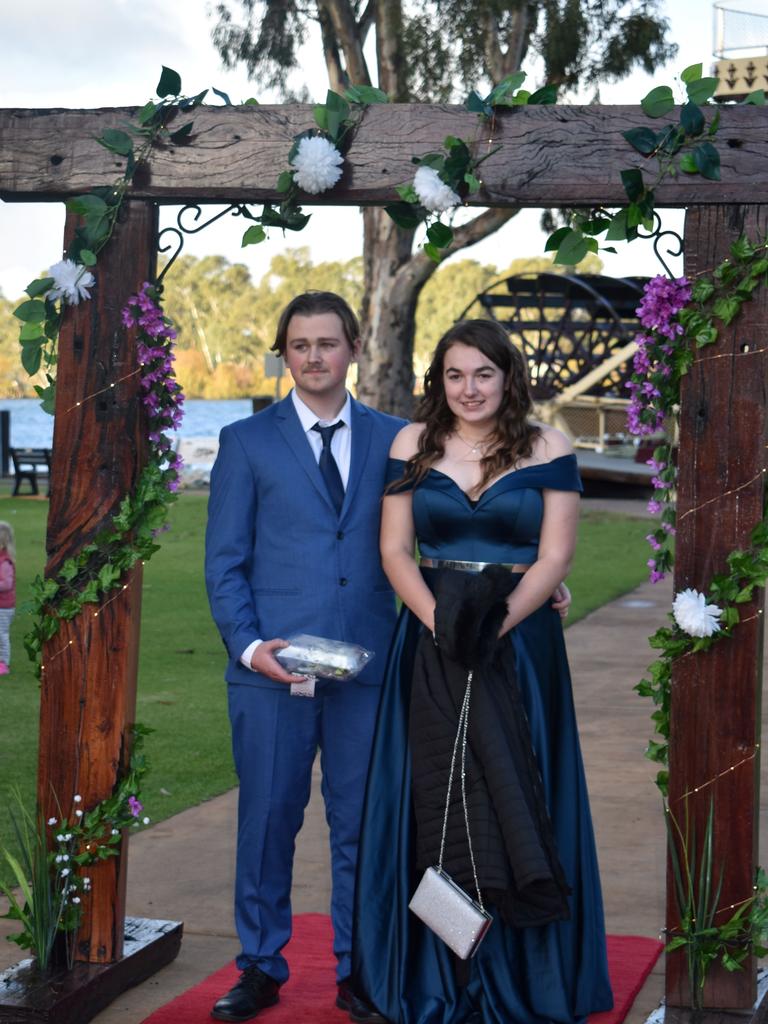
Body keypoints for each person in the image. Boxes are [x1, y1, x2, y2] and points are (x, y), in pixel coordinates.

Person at [205, 295, 571, 1023]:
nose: (315, 357)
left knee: (362, 829)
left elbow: (451, 525)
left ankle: (357, 967)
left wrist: (539, 585)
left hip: (374, 671)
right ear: (285, 354)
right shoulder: (246, 442)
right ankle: (259, 965)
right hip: (272, 672)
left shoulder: (400, 439)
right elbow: (224, 563)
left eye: (328, 343)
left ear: (353, 348)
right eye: (300, 345)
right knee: (269, 822)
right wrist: (250, 648)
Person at [351, 319, 613, 1024]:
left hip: (519, 644)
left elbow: (555, 557)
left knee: (517, 789)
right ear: (439, 380)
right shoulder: (412, 444)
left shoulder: (548, 446)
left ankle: (523, 979)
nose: (469, 389)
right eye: (455, 374)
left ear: (508, 377)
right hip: (430, 635)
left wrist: (493, 626)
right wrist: (442, 625)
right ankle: (431, 973)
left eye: (484, 374)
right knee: (433, 799)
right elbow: (395, 550)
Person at [0, 521, 16, 675]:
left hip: (4, 607)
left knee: (2, 635)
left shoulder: (5, 562)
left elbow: (6, 584)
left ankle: (4, 663)